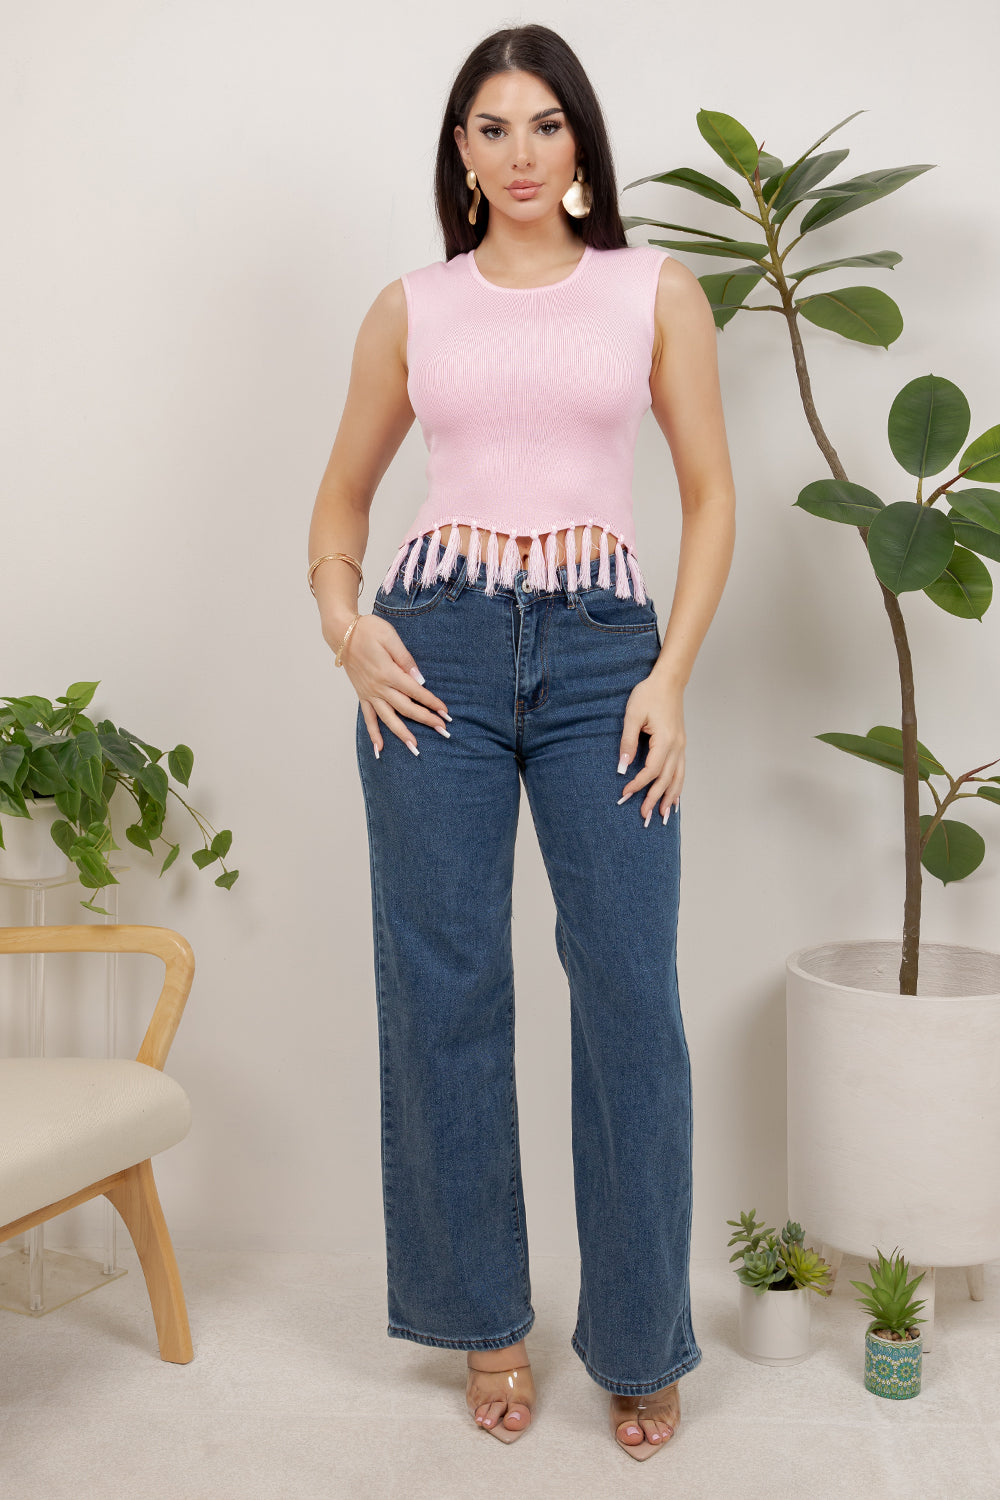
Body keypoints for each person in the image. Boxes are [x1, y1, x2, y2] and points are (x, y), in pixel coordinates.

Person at [307, 23, 736, 1461]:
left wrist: (670, 677)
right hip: (436, 655)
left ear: (580, 142)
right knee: (444, 988)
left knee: (630, 995)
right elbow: (341, 503)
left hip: (609, 656)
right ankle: (485, 1320)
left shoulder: (655, 292)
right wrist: (347, 627)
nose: (522, 153)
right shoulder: (411, 307)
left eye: (545, 124)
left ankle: (638, 1336)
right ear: (462, 152)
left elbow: (711, 495)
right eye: (493, 128)